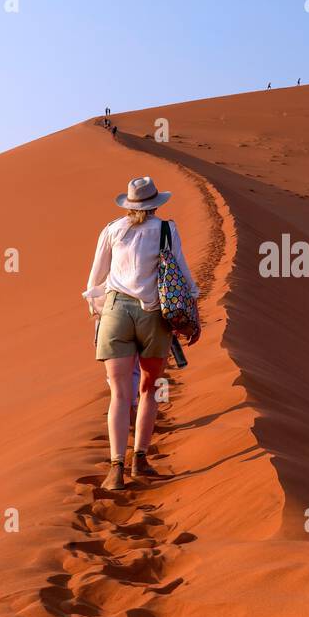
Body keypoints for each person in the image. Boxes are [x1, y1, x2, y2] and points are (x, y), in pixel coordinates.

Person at [83, 176, 200, 490]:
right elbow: (183, 274)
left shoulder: (111, 230)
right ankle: (141, 459)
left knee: (119, 394)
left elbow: (95, 280)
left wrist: (99, 318)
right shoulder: (165, 229)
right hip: (152, 317)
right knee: (148, 390)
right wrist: (192, 307)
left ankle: (115, 468)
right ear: (155, 204)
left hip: (116, 312)